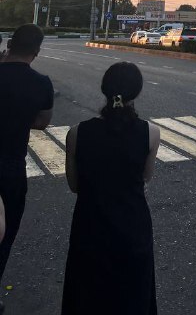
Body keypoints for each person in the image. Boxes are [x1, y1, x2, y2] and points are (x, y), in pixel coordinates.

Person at [62, 62, 160, 315]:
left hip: (90, 228)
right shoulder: (151, 133)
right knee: (133, 298)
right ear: (136, 92)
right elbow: (145, 177)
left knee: (86, 298)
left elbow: (74, 185)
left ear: (104, 89)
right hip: (133, 228)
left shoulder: (77, 133)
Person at [0, 25, 53, 313]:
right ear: (37, 51)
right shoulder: (41, 83)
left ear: (9, 44)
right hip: (10, 168)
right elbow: (42, 122)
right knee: (6, 231)